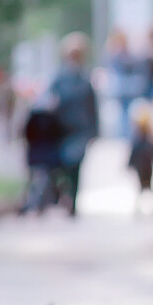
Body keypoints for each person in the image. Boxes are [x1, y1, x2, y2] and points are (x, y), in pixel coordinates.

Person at [47, 32, 100, 217]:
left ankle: (73, 203)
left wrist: (95, 132)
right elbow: (49, 102)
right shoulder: (58, 78)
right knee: (61, 167)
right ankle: (63, 195)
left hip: (80, 131)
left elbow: (93, 108)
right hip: (61, 131)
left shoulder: (86, 80)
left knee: (75, 167)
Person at [18, 96, 65, 215]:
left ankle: (34, 204)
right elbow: (59, 135)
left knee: (36, 181)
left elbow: (26, 134)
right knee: (44, 181)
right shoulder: (53, 118)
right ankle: (38, 204)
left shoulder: (33, 118)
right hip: (48, 155)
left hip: (35, 154)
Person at [127, 102, 153, 217]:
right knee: (143, 189)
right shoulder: (141, 140)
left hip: (145, 168)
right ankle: (143, 208)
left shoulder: (147, 140)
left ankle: (150, 208)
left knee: (147, 189)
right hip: (143, 168)